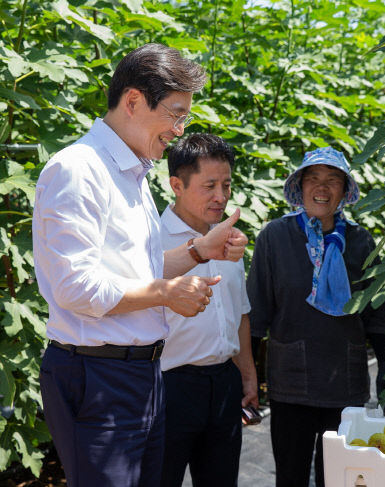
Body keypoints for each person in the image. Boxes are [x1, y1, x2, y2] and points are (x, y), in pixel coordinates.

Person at [32, 44, 248, 487]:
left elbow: (138, 270)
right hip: (98, 377)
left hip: (142, 375)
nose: (179, 128)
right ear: (133, 101)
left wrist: (198, 251)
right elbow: (76, 289)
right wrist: (167, 294)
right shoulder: (77, 170)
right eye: (175, 113)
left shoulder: (132, 176)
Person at [247, 147, 385, 487]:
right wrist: (249, 378)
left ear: (345, 191)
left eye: (332, 181)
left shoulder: (359, 242)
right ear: (299, 187)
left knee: (340, 478)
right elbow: (256, 313)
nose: (322, 188)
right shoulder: (276, 237)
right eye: (312, 179)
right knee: (291, 476)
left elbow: (375, 313)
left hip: (344, 382)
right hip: (290, 382)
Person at [158, 133, 258, 487]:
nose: (221, 196)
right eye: (210, 186)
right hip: (170, 385)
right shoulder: (152, 241)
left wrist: (247, 374)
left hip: (224, 383)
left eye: (227, 184)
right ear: (177, 185)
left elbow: (240, 312)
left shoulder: (231, 240)